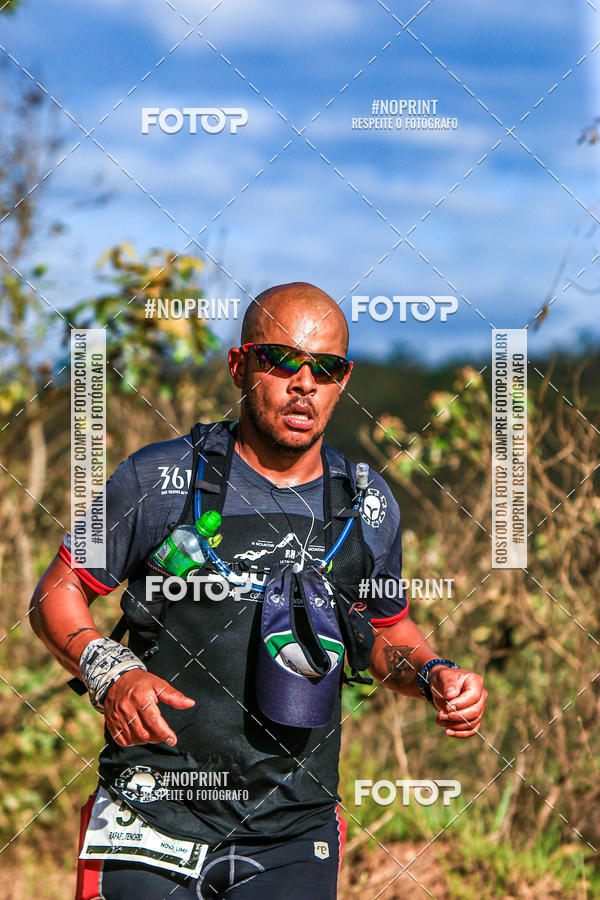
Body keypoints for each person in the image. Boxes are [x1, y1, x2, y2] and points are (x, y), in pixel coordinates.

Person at [30, 282, 487, 899]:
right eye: (281, 360)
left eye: (325, 368)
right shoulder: (161, 478)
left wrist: (434, 673)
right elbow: (57, 592)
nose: (305, 382)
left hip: (291, 829)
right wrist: (108, 668)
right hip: (150, 815)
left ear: (343, 380)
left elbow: (384, 633)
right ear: (240, 367)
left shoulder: (365, 504)